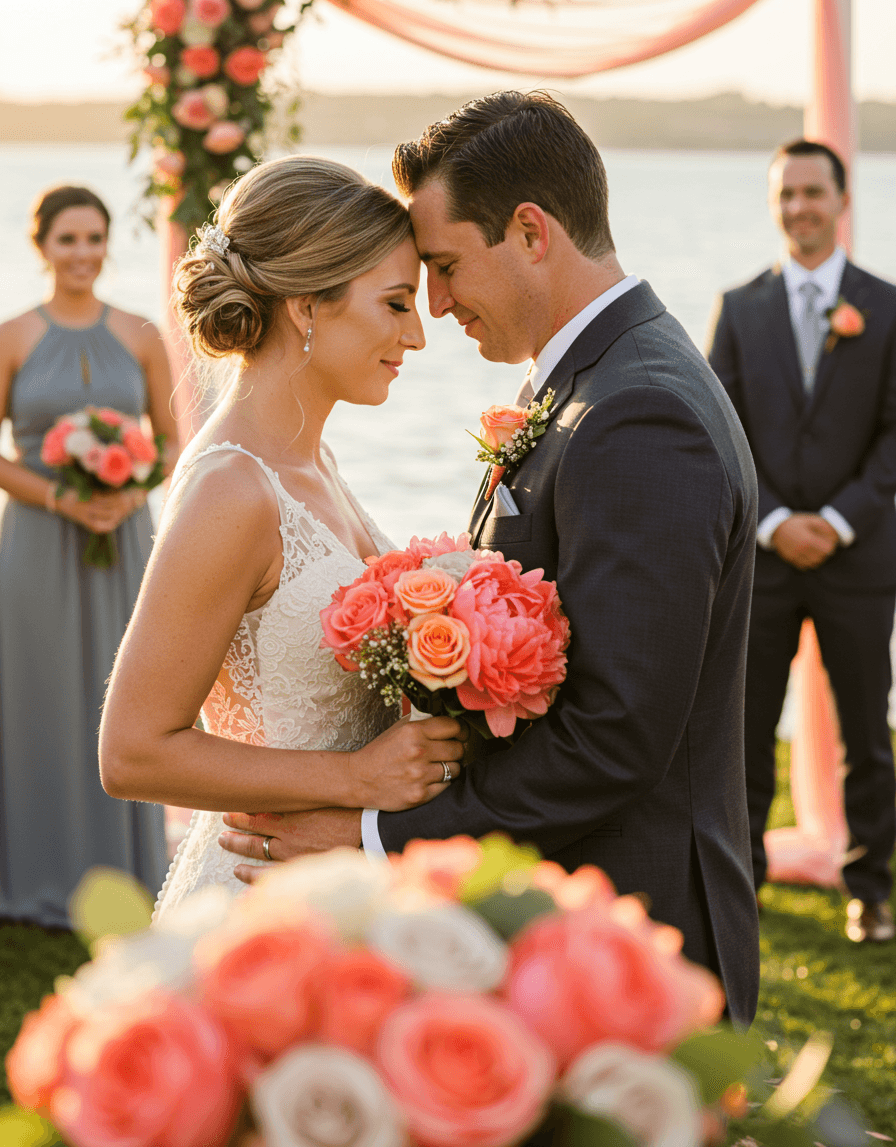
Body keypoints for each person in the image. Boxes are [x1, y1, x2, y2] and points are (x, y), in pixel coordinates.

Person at [219, 92, 761, 1028]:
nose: (435, 303)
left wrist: (376, 837)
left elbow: (613, 736)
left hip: (628, 933)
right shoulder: (609, 378)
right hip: (580, 923)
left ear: (530, 231)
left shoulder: (638, 415)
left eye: (444, 265)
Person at [98, 157, 466, 919]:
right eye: (397, 304)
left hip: (340, 878)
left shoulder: (312, 460)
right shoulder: (233, 489)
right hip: (257, 898)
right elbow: (132, 750)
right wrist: (358, 781)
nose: (418, 335)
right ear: (306, 306)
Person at [707, 138, 896, 944]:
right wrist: (779, 521)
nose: (799, 208)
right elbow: (720, 431)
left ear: (841, 200)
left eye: (812, 193)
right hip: (769, 560)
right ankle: (741, 878)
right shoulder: (740, 307)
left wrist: (842, 519)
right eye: (786, 195)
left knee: (867, 731)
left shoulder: (886, 307)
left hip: (860, 559)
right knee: (748, 729)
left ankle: (871, 890)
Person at [0, 184, 180, 926]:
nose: (83, 253)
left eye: (95, 238)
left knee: (120, 698)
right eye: (68, 239)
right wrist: (62, 499)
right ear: (40, 245)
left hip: (122, 534)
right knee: (33, 699)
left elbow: (172, 441)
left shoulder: (141, 335)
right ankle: (32, 876)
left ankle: (122, 870)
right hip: (37, 541)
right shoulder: (11, 336)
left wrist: (133, 489)